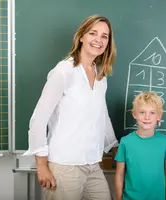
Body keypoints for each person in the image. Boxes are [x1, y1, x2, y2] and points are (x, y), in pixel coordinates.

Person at [23, 14, 118, 200]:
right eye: (93, 33)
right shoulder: (63, 72)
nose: (98, 40)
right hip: (64, 165)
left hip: (93, 163)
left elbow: (102, 116)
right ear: (81, 36)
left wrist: (114, 147)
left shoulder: (100, 76)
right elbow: (38, 120)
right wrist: (41, 166)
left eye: (104, 36)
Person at [114, 91, 166, 200]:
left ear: (159, 116)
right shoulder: (125, 142)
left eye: (152, 113)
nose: (147, 117)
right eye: (142, 112)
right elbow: (119, 174)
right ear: (135, 114)